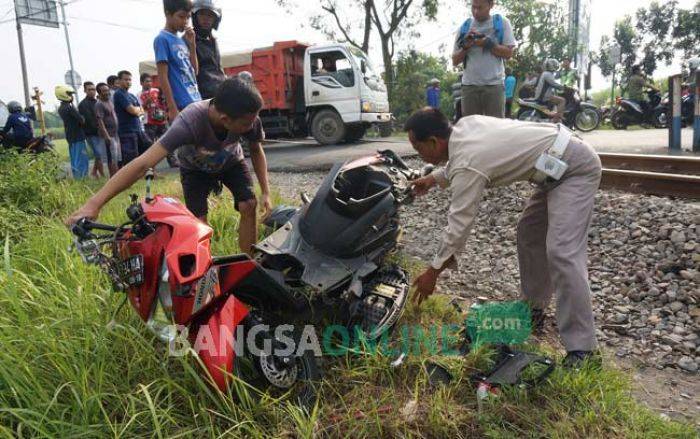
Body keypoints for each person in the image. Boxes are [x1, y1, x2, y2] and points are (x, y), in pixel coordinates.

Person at [406, 107, 602, 369]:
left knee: (562, 252)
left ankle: (584, 351)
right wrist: (432, 179)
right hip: (554, 166)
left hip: (574, 169)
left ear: (434, 142)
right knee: (529, 233)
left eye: (419, 149)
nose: (420, 155)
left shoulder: (467, 160)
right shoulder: (466, 126)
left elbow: (459, 224)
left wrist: (433, 271)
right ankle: (533, 310)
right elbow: (461, 162)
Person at [67, 78, 272, 257]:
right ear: (225, 120)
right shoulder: (189, 123)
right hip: (195, 168)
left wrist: (266, 192)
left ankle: (249, 265)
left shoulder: (249, 118)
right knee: (199, 225)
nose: (251, 127)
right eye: (246, 125)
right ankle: (204, 275)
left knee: (249, 204)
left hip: (230, 162)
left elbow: (255, 150)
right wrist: (94, 204)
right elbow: (143, 164)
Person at [452, 0, 516, 119]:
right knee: (471, 129)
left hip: (494, 86)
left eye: (480, 8)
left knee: (495, 129)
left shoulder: (502, 23)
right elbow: (455, 61)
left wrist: (488, 43)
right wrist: (466, 46)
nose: (476, 12)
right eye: (473, 7)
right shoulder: (464, 27)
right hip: (469, 86)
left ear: (491, 5)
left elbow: (508, 53)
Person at [155, 0, 201, 122]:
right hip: (181, 106)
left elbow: (194, 71)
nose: (185, 21)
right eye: (181, 16)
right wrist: (172, 108)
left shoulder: (182, 40)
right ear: (168, 14)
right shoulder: (162, 39)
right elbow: (162, 76)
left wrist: (192, 45)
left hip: (196, 100)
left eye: (188, 17)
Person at [192, 0, 226, 99]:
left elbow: (219, 70)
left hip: (219, 94)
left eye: (210, 15)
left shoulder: (213, 41)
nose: (206, 19)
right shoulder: (189, 40)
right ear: (195, 17)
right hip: (202, 98)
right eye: (202, 14)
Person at [56, 85, 89, 179]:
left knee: (74, 157)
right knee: (81, 157)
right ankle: (82, 177)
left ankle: (77, 176)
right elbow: (81, 120)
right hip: (78, 135)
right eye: (69, 94)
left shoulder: (61, 108)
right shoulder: (69, 108)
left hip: (70, 135)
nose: (72, 96)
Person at [113, 70, 145, 166]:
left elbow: (142, 111)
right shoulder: (119, 94)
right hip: (127, 132)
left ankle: (149, 175)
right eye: (125, 79)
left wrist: (137, 110)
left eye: (130, 80)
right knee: (131, 157)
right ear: (119, 81)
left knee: (146, 150)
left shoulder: (131, 95)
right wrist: (137, 110)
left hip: (138, 129)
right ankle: (132, 178)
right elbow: (132, 110)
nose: (128, 82)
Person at [78, 82, 107, 178]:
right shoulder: (83, 104)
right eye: (89, 89)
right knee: (98, 153)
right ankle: (102, 175)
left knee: (99, 154)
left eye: (94, 89)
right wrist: (100, 129)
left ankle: (94, 171)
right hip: (91, 133)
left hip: (100, 133)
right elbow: (89, 120)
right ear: (85, 91)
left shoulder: (97, 102)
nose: (92, 91)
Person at [95, 83, 121, 177]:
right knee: (111, 158)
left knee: (117, 157)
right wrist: (106, 136)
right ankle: (113, 177)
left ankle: (118, 176)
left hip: (115, 134)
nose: (107, 92)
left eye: (107, 90)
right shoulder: (99, 104)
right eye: (104, 91)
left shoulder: (110, 101)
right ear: (99, 93)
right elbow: (100, 121)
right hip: (108, 136)